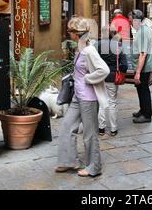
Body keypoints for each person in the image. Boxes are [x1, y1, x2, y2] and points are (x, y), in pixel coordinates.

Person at [55, 17, 110, 177]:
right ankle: (68, 161)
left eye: (70, 31)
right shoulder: (81, 48)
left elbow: (104, 70)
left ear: (76, 33)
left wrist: (87, 79)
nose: (68, 34)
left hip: (88, 98)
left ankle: (94, 167)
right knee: (66, 125)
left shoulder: (89, 51)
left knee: (89, 133)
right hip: (77, 96)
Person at [96, 26, 128, 137]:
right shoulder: (117, 46)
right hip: (113, 76)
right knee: (112, 102)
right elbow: (124, 64)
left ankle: (101, 128)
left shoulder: (97, 45)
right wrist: (121, 71)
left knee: (101, 102)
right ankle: (113, 129)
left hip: (100, 77)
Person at [130, 9, 152, 123]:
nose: (130, 23)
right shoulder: (142, 30)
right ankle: (143, 110)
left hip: (144, 68)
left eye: (131, 20)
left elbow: (143, 54)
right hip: (143, 67)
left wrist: (138, 72)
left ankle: (146, 115)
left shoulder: (143, 32)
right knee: (141, 89)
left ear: (136, 20)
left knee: (143, 89)